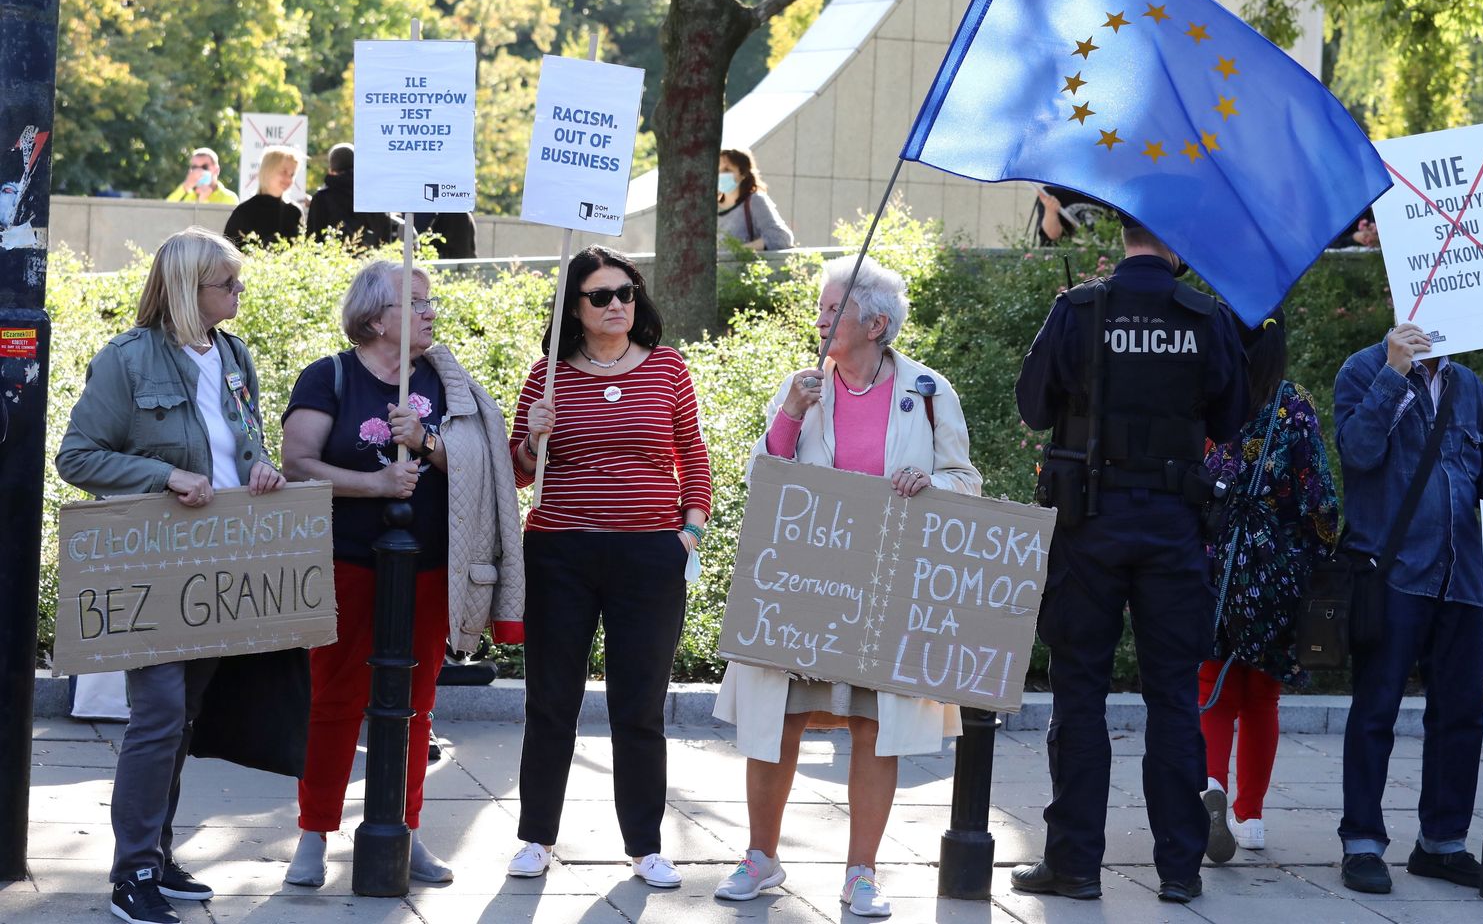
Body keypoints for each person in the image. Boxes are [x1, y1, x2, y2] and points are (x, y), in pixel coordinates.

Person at [712, 256, 978, 918]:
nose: (821, 318)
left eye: (833, 310)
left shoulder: (929, 390)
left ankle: (861, 873)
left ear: (875, 324)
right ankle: (760, 857)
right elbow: (760, 477)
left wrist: (931, 485)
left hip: (885, 584)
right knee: (779, 718)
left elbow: (964, 480)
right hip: (805, 580)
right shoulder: (802, 384)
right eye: (823, 307)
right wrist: (790, 414)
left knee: (872, 723)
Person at [1012, 216, 1247, 905]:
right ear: (1176, 244)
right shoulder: (1205, 318)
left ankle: (1075, 865)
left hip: (1089, 526)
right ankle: (1178, 870)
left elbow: (1032, 407)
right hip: (1173, 528)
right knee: (1172, 697)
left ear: (1123, 236)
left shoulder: (1079, 310)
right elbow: (1230, 421)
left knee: (1077, 693)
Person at [55, 226, 286, 924]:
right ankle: (132, 875)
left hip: (219, 559)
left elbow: (243, 439)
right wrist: (164, 475)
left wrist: (259, 467)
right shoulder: (127, 360)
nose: (239, 292)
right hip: (154, 562)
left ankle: (156, 851)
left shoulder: (234, 353)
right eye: (229, 283)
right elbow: (78, 457)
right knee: (157, 714)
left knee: (184, 714)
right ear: (190, 289)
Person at [279, 260, 524, 887]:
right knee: (334, 699)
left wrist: (431, 442)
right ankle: (313, 834)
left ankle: (406, 828)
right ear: (374, 317)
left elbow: (484, 458)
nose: (429, 311)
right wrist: (374, 483)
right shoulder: (329, 377)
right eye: (414, 302)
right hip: (347, 563)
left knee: (416, 705)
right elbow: (297, 462)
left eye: (429, 301)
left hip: (428, 568)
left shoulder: (447, 384)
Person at [506, 245, 712, 889]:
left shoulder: (669, 370)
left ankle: (645, 845)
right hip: (560, 552)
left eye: (625, 293)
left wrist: (690, 532)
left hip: (649, 555)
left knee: (639, 705)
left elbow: (694, 457)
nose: (617, 304)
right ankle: (536, 837)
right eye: (601, 296)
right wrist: (532, 436)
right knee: (551, 702)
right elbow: (517, 474)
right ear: (575, 307)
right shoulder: (547, 376)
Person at [1333, 321, 1483, 895]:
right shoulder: (1363, 370)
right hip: (1393, 574)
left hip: (1460, 576)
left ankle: (1442, 843)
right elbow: (1358, 452)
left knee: (1461, 716)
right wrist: (1393, 374)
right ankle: (1362, 842)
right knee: (1375, 713)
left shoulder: (1470, 385)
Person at [1198, 315, 1338, 860]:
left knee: (1212, 682)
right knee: (1263, 694)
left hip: (1215, 563)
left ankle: (1210, 785)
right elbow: (1320, 497)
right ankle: (1251, 816)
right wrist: (1322, 550)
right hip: (1278, 567)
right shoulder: (1293, 404)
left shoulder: (1207, 395)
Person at [307, 143, 394, 248]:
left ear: (331, 170)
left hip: (334, 262)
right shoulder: (376, 196)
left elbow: (312, 240)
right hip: (373, 261)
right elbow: (385, 239)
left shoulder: (321, 198)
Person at [223, 145, 303, 248]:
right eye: (284, 172)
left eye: (292, 174)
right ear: (267, 170)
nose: (288, 178)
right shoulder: (244, 212)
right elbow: (226, 255)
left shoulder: (294, 212)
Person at [717, 147, 793, 250]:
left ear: (743, 173)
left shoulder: (755, 201)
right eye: (717, 170)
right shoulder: (708, 208)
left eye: (727, 170)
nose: (720, 175)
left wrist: (737, 252)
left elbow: (780, 238)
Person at [165, 147, 239, 206]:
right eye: (195, 167)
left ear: (216, 170)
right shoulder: (188, 195)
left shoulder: (229, 198)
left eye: (204, 167)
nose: (199, 172)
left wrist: (203, 201)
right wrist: (185, 186)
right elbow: (164, 211)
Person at [1029, 185, 1094, 246]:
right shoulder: (1052, 193)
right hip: (1065, 256)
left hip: (1100, 254)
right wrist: (1051, 211)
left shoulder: (1100, 195)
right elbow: (1053, 234)